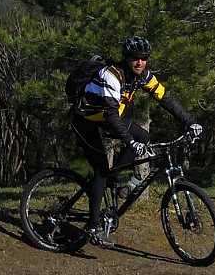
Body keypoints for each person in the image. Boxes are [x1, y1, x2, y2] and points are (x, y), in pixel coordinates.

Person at [71, 35, 202, 249]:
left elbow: (165, 98)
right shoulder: (112, 75)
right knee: (102, 170)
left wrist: (190, 122)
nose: (139, 62)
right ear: (127, 58)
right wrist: (130, 143)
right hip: (86, 120)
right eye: (135, 58)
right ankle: (93, 227)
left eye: (144, 58)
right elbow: (112, 116)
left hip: (107, 119)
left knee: (144, 137)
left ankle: (115, 180)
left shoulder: (142, 76)